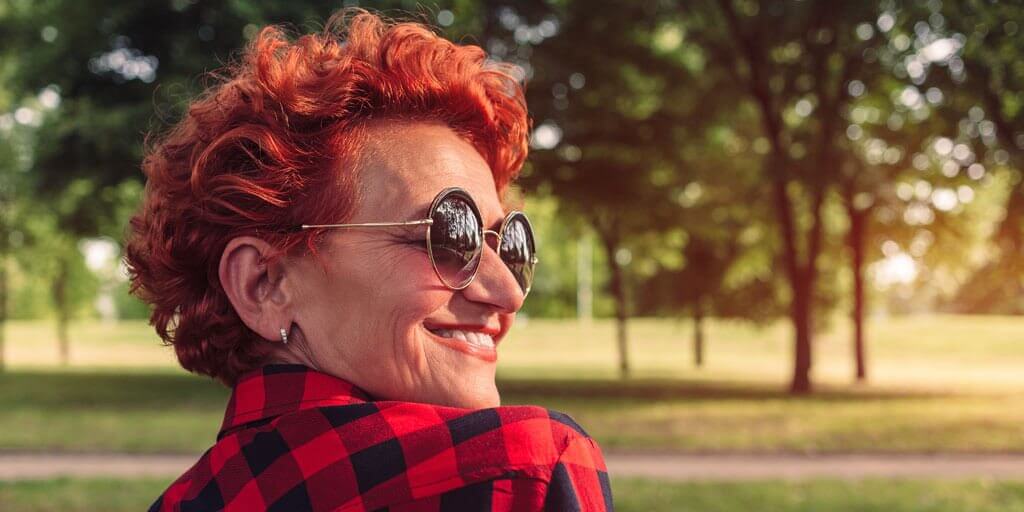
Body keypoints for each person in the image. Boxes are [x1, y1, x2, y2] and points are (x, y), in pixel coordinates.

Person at [125, 8, 613, 511]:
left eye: (506, 244)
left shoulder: (186, 499)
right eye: (447, 235)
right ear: (264, 284)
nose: (506, 292)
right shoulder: (522, 473)